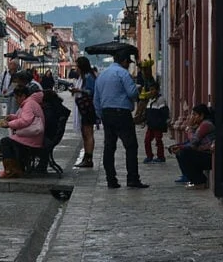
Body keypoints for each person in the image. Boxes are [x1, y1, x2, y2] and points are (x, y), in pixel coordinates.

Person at [94, 51, 148, 189]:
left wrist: (101, 115)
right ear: (124, 61)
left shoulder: (102, 75)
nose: (128, 66)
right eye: (128, 63)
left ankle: (111, 180)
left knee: (109, 147)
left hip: (107, 113)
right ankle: (132, 179)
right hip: (122, 113)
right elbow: (132, 93)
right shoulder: (123, 74)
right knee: (130, 146)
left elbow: (97, 99)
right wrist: (137, 91)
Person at [0, 85, 45, 179]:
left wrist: (9, 124)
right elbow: (25, 117)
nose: (16, 100)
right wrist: (12, 117)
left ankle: (11, 169)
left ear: (23, 96)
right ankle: (14, 167)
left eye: (16, 97)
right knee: (9, 141)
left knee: (5, 141)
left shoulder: (28, 104)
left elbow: (25, 121)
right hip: (33, 136)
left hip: (31, 138)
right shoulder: (31, 103)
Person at [170, 104, 215, 189]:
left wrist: (189, 128)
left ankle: (199, 181)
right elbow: (190, 142)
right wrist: (179, 146)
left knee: (184, 153)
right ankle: (188, 177)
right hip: (202, 152)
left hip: (209, 155)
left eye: (194, 114)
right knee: (180, 151)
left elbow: (193, 141)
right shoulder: (200, 125)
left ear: (201, 115)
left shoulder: (206, 125)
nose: (192, 117)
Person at [69, 56, 96, 168]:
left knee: (88, 133)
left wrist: (78, 90)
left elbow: (91, 91)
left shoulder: (88, 77)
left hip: (87, 109)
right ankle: (86, 156)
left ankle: (89, 158)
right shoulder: (83, 77)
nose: (76, 69)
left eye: (77, 66)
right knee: (85, 134)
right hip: (82, 108)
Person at [142, 81, 169, 164]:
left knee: (158, 141)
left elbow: (165, 113)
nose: (151, 91)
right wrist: (145, 120)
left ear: (157, 90)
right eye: (150, 89)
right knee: (147, 140)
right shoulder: (150, 100)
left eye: (153, 89)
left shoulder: (161, 100)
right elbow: (147, 113)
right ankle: (149, 156)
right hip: (150, 125)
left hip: (158, 126)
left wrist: (161, 123)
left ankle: (161, 157)